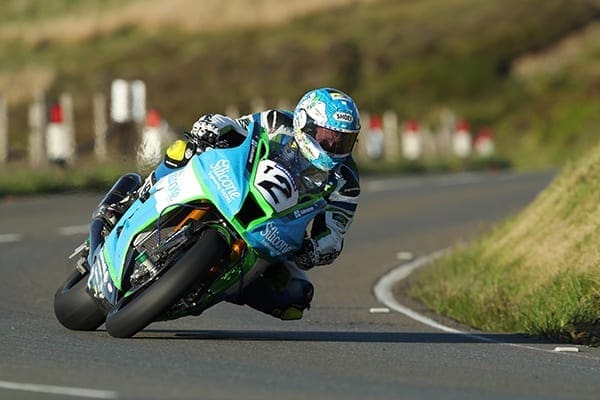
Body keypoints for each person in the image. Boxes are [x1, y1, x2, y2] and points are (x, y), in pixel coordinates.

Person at [96, 87, 361, 321]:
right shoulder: (278, 122)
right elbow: (238, 127)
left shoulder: (346, 181)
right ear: (306, 123)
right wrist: (212, 127)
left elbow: (335, 232)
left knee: (295, 298)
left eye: (343, 140)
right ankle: (135, 196)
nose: (333, 146)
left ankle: (205, 288)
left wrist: (316, 249)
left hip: (277, 231)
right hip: (239, 186)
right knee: (183, 149)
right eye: (327, 137)